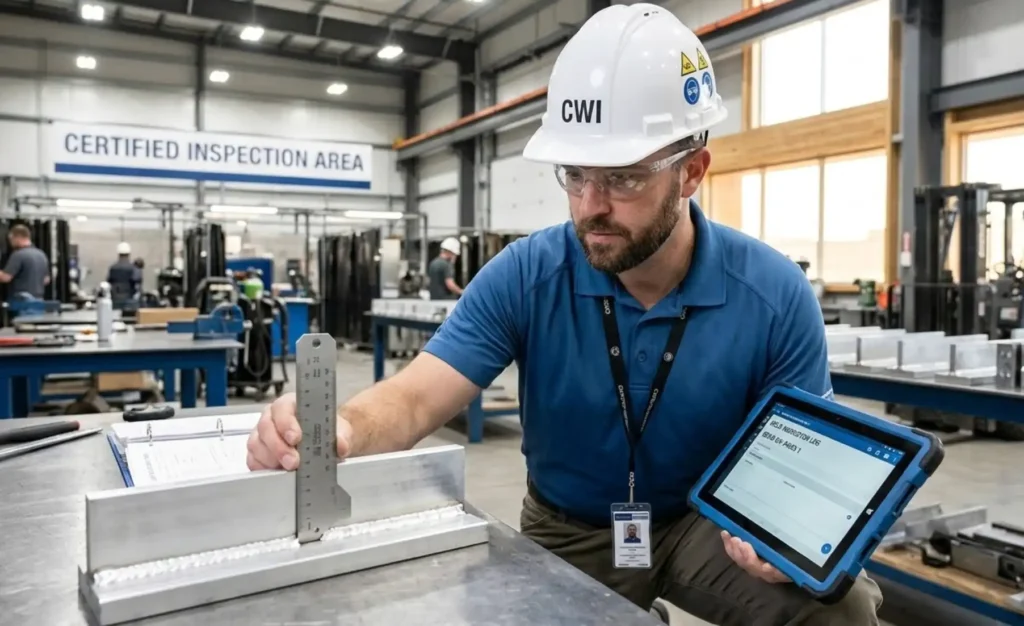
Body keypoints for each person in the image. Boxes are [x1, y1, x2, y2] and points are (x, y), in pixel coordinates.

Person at [246, 5, 880, 625]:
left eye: (623, 179)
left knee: (841, 607)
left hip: (704, 524)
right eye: (575, 174)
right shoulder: (527, 274)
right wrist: (341, 427)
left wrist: (786, 533)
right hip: (568, 526)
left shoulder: (772, 294)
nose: (589, 206)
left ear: (691, 172)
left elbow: (803, 463)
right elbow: (414, 400)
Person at [0, 224, 50, 299]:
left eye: (11, 239)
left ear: (17, 238)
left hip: (21, 301)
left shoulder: (18, 255)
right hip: (39, 299)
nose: (11, 243)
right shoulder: (41, 254)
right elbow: (46, 280)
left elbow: (5, 277)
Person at [106, 242, 141, 307]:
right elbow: (137, 283)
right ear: (129, 254)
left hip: (115, 301)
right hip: (129, 301)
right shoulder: (133, 268)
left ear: (118, 254)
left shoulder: (113, 268)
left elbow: (108, 283)